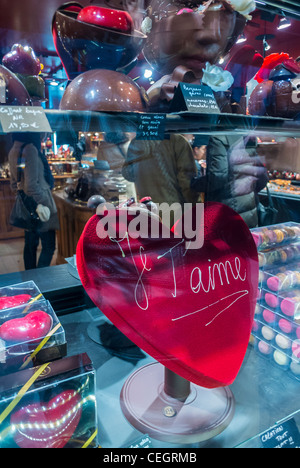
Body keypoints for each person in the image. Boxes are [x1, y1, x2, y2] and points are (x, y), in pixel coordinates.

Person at [122, 134, 200, 227]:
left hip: (147, 211)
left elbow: (128, 174)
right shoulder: (178, 141)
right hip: (174, 212)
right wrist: (197, 208)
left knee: (153, 240)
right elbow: (187, 183)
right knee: (174, 241)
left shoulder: (137, 141)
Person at [192, 135, 269, 228]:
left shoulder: (219, 138)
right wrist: (248, 193)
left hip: (226, 213)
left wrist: (193, 183)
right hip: (249, 215)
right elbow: (262, 177)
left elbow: (217, 178)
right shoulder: (248, 136)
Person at [8, 132, 59, 270]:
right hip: (41, 204)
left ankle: (31, 277)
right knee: (49, 246)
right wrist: (43, 202)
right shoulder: (30, 149)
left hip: (26, 204)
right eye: (40, 133)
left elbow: (14, 184)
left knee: (30, 244)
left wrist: (26, 199)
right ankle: (41, 280)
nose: (42, 135)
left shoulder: (14, 149)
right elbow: (31, 186)